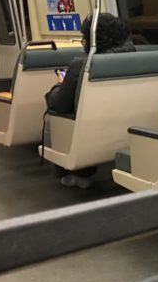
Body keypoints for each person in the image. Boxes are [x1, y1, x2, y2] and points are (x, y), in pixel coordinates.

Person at [45, 13, 135, 188]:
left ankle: (75, 172)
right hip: (127, 123)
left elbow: (60, 105)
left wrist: (58, 86)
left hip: (94, 126)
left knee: (54, 109)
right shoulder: (137, 59)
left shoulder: (81, 66)